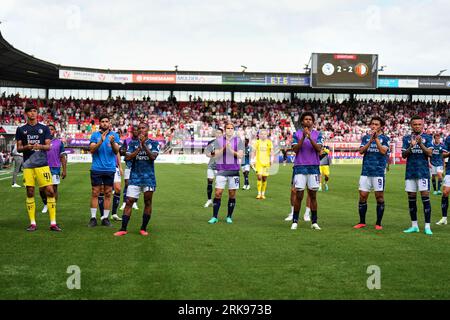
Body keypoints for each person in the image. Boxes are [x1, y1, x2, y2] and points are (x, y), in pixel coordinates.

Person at [15, 105, 61, 231]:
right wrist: (27, 147)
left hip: (42, 165)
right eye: (30, 111)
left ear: (37, 113)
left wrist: (38, 146)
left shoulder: (44, 128)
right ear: (26, 114)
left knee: (50, 191)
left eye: (35, 111)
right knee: (30, 192)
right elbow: (19, 148)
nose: (33, 113)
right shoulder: (21, 129)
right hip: (28, 165)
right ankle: (33, 223)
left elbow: (48, 147)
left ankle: (53, 223)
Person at [114, 122, 160, 236]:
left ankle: (143, 228)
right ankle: (123, 229)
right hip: (134, 177)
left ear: (148, 129)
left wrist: (144, 145)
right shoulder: (133, 143)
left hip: (149, 178)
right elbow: (128, 157)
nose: (140, 130)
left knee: (147, 202)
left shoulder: (154, 143)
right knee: (129, 201)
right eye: (139, 128)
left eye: (143, 128)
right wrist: (139, 148)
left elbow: (153, 157)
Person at [353, 117, 390, 230]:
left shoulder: (385, 138)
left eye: (376, 124)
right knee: (363, 196)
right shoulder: (365, 138)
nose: (374, 126)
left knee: (379, 197)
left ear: (381, 126)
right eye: (372, 124)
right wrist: (370, 141)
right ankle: (362, 222)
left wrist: (376, 139)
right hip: (366, 171)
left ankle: (378, 223)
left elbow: (383, 151)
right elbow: (361, 151)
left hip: (378, 172)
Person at [290, 111, 323, 231]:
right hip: (300, 167)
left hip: (313, 167)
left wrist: (310, 137)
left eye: (310, 119)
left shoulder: (318, 134)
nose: (308, 121)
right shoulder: (296, 134)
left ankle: (314, 221)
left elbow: (319, 149)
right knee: (299, 195)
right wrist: (303, 137)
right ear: (302, 122)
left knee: (313, 195)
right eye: (306, 119)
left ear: (313, 122)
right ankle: (295, 221)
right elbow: (295, 149)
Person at [401, 115, 433, 235]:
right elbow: (404, 155)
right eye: (415, 124)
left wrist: (420, 144)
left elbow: (430, 153)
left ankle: (427, 226)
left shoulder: (428, 138)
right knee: (411, 199)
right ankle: (414, 225)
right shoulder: (406, 138)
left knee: (425, 198)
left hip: (423, 172)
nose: (417, 126)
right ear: (411, 125)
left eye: (419, 124)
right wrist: (411, 146)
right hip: (410, 172)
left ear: (423, 125)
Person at [207, 123, 244, 224]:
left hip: (234, 171)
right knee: (218, 193)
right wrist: (224, 148)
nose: (230, 130)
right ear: (225, 130)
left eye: (232, 128)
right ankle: (214, 217)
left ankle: (229, 216)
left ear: (234, 130)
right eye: (228, 128)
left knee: (232, 195)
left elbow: (240, 155)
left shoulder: (238, 140)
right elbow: (216, 155)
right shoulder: (219, 141)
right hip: (222, 170)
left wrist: (231, 149)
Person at [88, 115, 120, 227]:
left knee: (107, 193)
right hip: (97, 168)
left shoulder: (114, 135)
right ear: (99, 123)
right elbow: (92, 149)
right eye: (102, 121)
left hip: (110, 169)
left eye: (107, 121)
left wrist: (112, 143)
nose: (105, 123)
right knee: (95, 193)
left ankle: (105, 218)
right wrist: (100, 141)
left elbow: (116, 151)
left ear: (109, 123)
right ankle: (93, 218)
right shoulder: (95, 135)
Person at [39, 124, 67, 214]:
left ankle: (53, 205)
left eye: (52, 129)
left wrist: (64, 170)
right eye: (48, 129)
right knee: (42, 189)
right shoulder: (41, 142)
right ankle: (45, 204)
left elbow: (62, 156)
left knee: (54, 189)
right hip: (43, 167)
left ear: (55, 131)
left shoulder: (59, 142)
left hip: (55, 168)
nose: (50, 131)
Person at [120, 125, 140, 211]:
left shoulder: (141, 141)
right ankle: (125, 202)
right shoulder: (127, 140)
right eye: (134, 130)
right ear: (131, 131)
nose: (135, 132)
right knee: (127, 184)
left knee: (136, 184)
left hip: (138, 166)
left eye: (137, 130)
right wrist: (127, 152)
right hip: (129, 165)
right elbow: (121, 151)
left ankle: (134, 202)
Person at [252, 128, 274, 199]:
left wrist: (272, 159)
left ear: (267, 135)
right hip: (259, 163)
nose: (263, 135)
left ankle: (263, 193)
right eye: (261, 134)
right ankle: (258, 193)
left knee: (264, 178)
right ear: (259, 135)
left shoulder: (269, 142)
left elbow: (272, 152)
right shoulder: (257, 142)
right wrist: (252, 160)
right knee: (259, 177)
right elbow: (254, 151)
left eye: (264, 134)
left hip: (266, 163)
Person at [204, 128, 223, 207]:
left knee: (219, 186)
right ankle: (209, 200)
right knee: (209, 182)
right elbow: (207, 153)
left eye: (220, 133)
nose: (218, 134)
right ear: (215, 134)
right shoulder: (211, 142)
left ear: (222, 134)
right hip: (211, 165)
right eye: (217, 133)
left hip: (220, 166)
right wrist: (212, 154)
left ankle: (216, 201)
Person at [436, 134, 450, 225]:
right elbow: (443, 155)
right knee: (445, 192)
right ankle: (444, 218)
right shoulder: (448, 138)